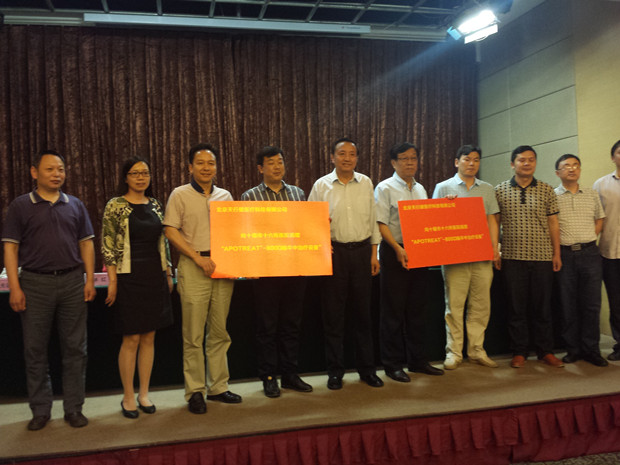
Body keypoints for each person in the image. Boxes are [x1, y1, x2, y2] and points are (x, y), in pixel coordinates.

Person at [2, 149, 95, 431]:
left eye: (61, 169)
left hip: (72, 282)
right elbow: (10, 248)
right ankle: (41, 410)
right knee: (35, 349)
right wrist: (15, 287)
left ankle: (74, 408)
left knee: (75, 348)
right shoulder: (20, 206)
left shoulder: (75, 205)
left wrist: (89, 280)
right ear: (34, 172)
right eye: (50, 169)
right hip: (34, 284)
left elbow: (86, 244)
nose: (57, 174)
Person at [164, 143, 242, 414]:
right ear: (190, 167)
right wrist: (197, 258)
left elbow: (235, 233)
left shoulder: (225, 196)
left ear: (216, 167)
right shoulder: (179, 194)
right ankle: (195, 391)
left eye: (211, 163)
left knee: (219, 332)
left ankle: (218, 387)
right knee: (194, 335)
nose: (206, 168)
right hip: (193, 265)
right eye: (200, 163)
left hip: (222, 267)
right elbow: (170, 230)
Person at [102, 157, 175, 419]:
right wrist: (112, 282)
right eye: (135, 173)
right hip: (128, 277)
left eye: (145, 173)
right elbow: (108, 246)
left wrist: (168, 273)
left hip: (154, 275)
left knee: (149, 337)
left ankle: (144, 393)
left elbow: (164, 242)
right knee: (131, 338)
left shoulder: (155, 205)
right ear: (125, 177)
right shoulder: (115, 205)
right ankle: (128, 396)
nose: (141, 177)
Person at [308, 138, 383, 390]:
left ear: (357, 158)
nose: (347, 158)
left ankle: (367, 370)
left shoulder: (366, 183)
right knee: (333, 316)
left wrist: (374, 253)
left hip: (362, 253)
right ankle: (335, 372)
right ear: (332, 157)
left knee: (363, 315)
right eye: (342, 153)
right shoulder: (321, 185)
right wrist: (321, 245)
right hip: (334, 255)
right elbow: (311, 221)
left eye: (352, 154)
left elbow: (373, 219)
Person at [240, 146, 312, 398]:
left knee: (292, 325)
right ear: (261, 168)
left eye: (280, 161)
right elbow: (246, 235)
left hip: (295, 269)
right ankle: (269, 376)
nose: (277, 166)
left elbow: (305, 229)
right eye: (271, 162)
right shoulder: (250, 196)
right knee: (267, 327)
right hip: (266, 271)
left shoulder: (297, 193)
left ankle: (290, 374)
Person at [374, 142, 444, 382]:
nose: (410, 162)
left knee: (417, 310)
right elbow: (381, 223)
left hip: (419, 252)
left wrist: (448, 206)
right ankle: (392, 364)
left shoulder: (421, 188)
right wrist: (397, 248)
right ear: (393, 162)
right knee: (393, 312)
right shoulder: (384, 188)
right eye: (404, 158)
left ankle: (418, 360)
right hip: (394, 251)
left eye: (413, 158)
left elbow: (426, 220)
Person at [494, 145, 564, 368]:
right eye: (522, 160)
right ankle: (519, 352)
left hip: (543, 257)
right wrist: (495, 251)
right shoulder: (500, 190)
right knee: (516, 308)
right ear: (512, 164)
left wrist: (557, 253)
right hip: (512, 257)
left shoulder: (547, 189)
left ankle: (546, 351)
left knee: (542, 308)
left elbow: (553, 223)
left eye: (531, 160)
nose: (526, 163)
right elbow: (494, 223)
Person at [432, 145, 500, 370]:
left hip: (482, 256)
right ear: (456, 162)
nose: (472, 163)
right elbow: (433, 220)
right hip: (455, 258)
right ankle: (454, 352)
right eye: (467, 159)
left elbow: (492, 220)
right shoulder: (443, 187)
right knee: (454, 307)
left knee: (481, 305)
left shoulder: (487, 188)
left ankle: (477, 350)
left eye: (476, 159)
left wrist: (494, 248)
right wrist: (446, 206)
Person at [554, 154, 607, 367]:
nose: (572, 169)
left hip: (590, 253)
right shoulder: (553, 196)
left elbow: (600, 219)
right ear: (557, 172)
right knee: (568, 303)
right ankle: (573, 349)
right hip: (565, 254)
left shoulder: (592, 194)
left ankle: (591, 349)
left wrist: (589, 238)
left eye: (576, 165)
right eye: (566, 166)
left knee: (592, 304)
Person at [593, 140, 620, 361]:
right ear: (613, 157)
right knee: (616, 302)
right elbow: (594, 218)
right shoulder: (600, 185)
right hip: (609, 252)